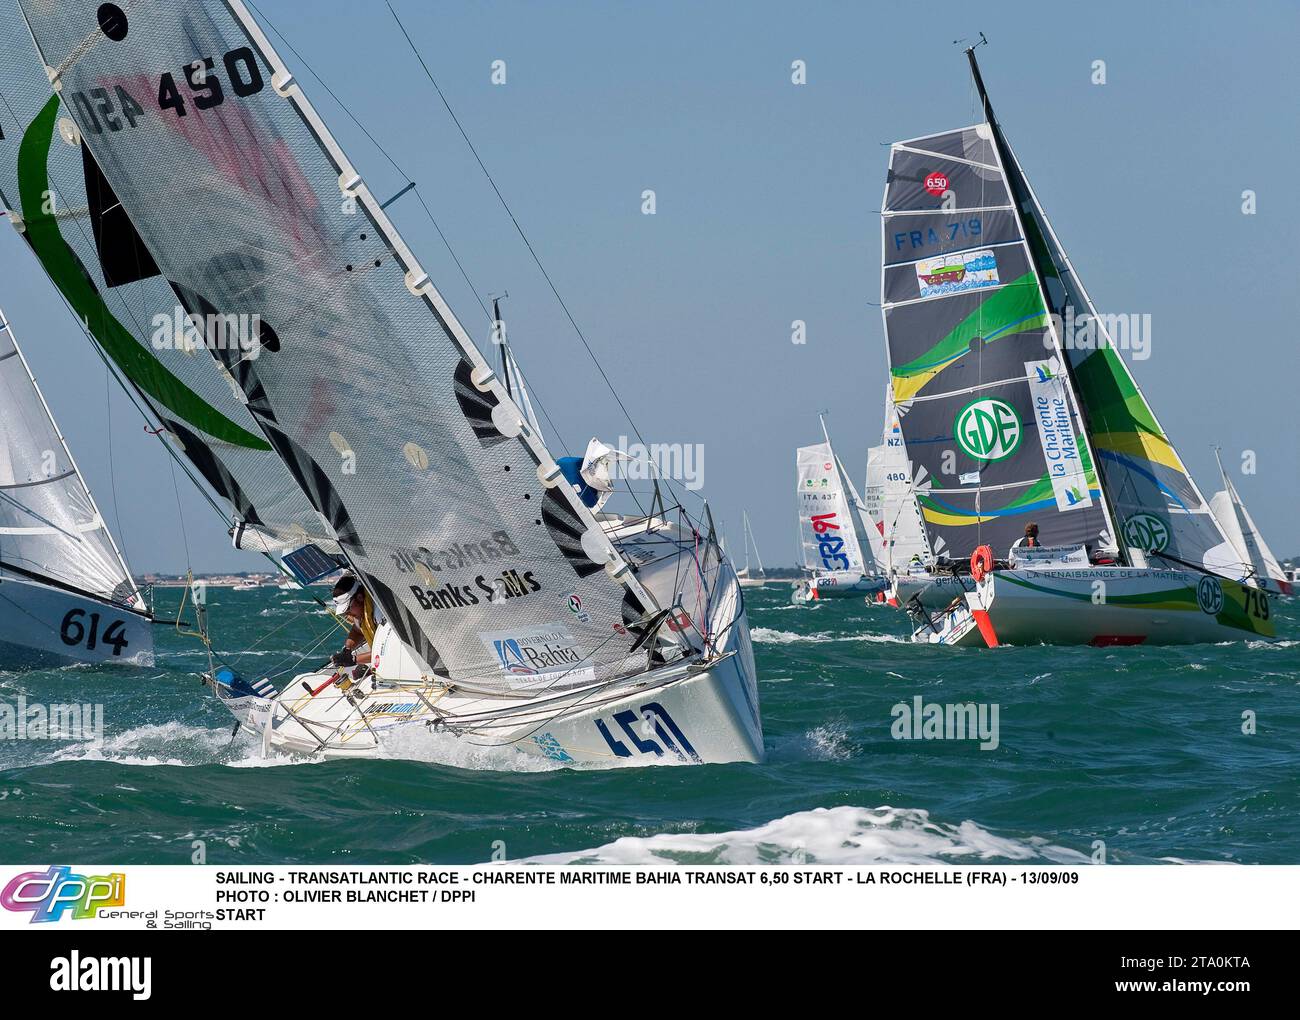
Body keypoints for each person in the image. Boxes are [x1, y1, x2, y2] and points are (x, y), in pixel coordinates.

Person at [329, 573, 382, 670]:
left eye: (348, 609)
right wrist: (347, 648)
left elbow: (385, 651)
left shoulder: (380, 614)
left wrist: (354, 659)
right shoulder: (360, 614)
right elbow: (357, 631)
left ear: (360, 597)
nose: (347, 614)